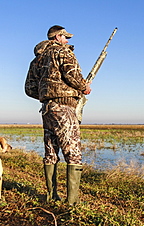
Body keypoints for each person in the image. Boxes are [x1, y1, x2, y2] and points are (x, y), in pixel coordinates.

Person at [25, 25, 91, 205]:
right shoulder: (63, 52)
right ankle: (73, 202)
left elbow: (29, 88)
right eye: (65, 37)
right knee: (73, 152)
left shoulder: (36, 61)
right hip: (64, 108)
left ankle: (51, 196)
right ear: (57, 37)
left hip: (47, 109)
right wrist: (84, 87)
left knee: (51, 152)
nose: (67, 41)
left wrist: (47, 95)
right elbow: (73, 76)